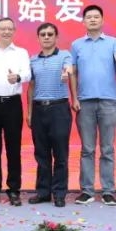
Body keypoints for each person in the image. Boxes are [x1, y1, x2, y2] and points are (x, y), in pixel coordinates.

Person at [71, 4, 116, 206]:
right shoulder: (76, 45)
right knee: (87, 148)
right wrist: (74, 98)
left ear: (102, 20)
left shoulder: (113, 42)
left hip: (108, 101)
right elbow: (73, 73)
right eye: (89, 17)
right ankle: (86, 191)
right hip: (84, 102)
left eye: (96, 17)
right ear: (83, 21)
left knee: (107, 148)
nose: (93, 19)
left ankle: (108, 191)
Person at [0, 17, 31, 206]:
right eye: (3, 28)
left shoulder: (21, 52)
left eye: (10, 29)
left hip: (12, 104)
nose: (6, 32)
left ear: (14, 31)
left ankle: (14, 190)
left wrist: (17, 77)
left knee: (13, 148)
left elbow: (28, 74)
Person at [26, 22, 76, 207]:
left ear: (56, 37)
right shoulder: (33, 60)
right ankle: (43, 192)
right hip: (39, 109)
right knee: (41, 154)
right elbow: (31, 87)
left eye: (50, 34)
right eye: (43, 34)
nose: (46, 37)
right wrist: (29, 112)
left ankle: (60, 193)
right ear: (38, 38)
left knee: (60, 154)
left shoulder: (64, 55)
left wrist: (66, 74)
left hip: (59, 109)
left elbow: (69, 69)